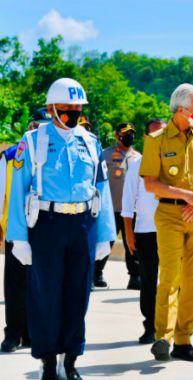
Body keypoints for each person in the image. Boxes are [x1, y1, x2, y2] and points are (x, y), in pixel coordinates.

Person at [6, 77, 115, 379]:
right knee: (45, 295)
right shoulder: (33, 141)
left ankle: (71, 360)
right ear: (51, 108)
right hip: (47, 223)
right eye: (65, 108)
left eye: (77, 109)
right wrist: (18, 238)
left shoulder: (90, 142)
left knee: (78, 295)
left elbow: (101, 188)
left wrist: (105, 234)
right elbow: (17, 189)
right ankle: (47, 361)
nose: (72, 114)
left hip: (83, 224)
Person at [139, 83, 193, 362]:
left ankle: (183, 339)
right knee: (169, 276)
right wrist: (185, 195)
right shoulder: (156, 140)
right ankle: (162, 337)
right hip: (170, 214)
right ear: (180, 110)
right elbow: (151, 184)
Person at [0, 108, 50, 353]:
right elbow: (1, 193)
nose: (40, 130)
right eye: (37, 126)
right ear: (30, 126)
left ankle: (33, 333)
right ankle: (13, 334)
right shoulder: (11, 155)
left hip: (45, 229)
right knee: (15, 284)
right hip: (16, 228)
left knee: (40, 285)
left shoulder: (54, 154)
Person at [122, 118, 166, 344]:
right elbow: (128, 204)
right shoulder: (137, 166)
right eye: (155, 134)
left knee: (172, 280)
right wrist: (129, 233)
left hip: (172, 231)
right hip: (146, 231)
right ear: (147, 138)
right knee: (148, 280)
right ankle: (150, 325)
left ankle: (168, 327)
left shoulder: (175, 161)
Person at [95, 122, 141, 290]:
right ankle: (96, 273)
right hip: (111, 208)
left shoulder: (138, 157)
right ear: (117, 136)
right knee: (106, 241)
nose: (129, 136)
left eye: (131, 133)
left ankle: (135, 277)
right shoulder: (105, 155)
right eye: (125, 133)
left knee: (133, 244)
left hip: (133, 209)